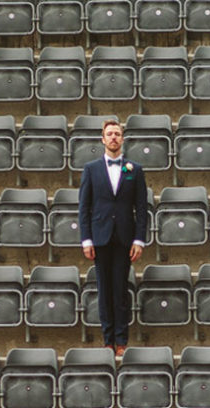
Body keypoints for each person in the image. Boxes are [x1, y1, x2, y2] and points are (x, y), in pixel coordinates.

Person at [79, 119, 148, 356]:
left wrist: (139, 240)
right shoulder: (91, 169)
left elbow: (141, 207)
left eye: (117, 134)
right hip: (99, 238)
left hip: (124, 239)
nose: (113, 137)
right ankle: (107, 340)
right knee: (104, 292)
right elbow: (84, 207)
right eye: (109, 134)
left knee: (120, 291)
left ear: (122, 138)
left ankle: (121, 341)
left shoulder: (134, 170)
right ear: (103, 139)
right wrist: (86, 239)